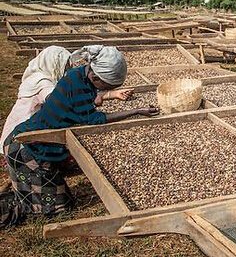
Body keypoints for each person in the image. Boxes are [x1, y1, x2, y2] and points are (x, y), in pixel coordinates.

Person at [1, 45, 159, 229]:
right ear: (95, 77)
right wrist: (136, 111)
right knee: (57, 209)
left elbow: (85, 105)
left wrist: (108, 95)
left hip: (26, 139)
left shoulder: (78, 75)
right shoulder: (78, 87)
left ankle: (26, 194)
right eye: (107, 86)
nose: (107, 89)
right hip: (27, 149)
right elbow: (95, 120)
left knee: (60, 199)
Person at [1, 46, 133, 153]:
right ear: (53, 65)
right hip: (26, 137)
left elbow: (75, 100)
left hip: (35, 131)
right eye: (65, 67)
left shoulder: (63, 80)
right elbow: (68, 105)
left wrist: (110, 95)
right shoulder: (43, 83)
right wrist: (132, 111)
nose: (68, 70)